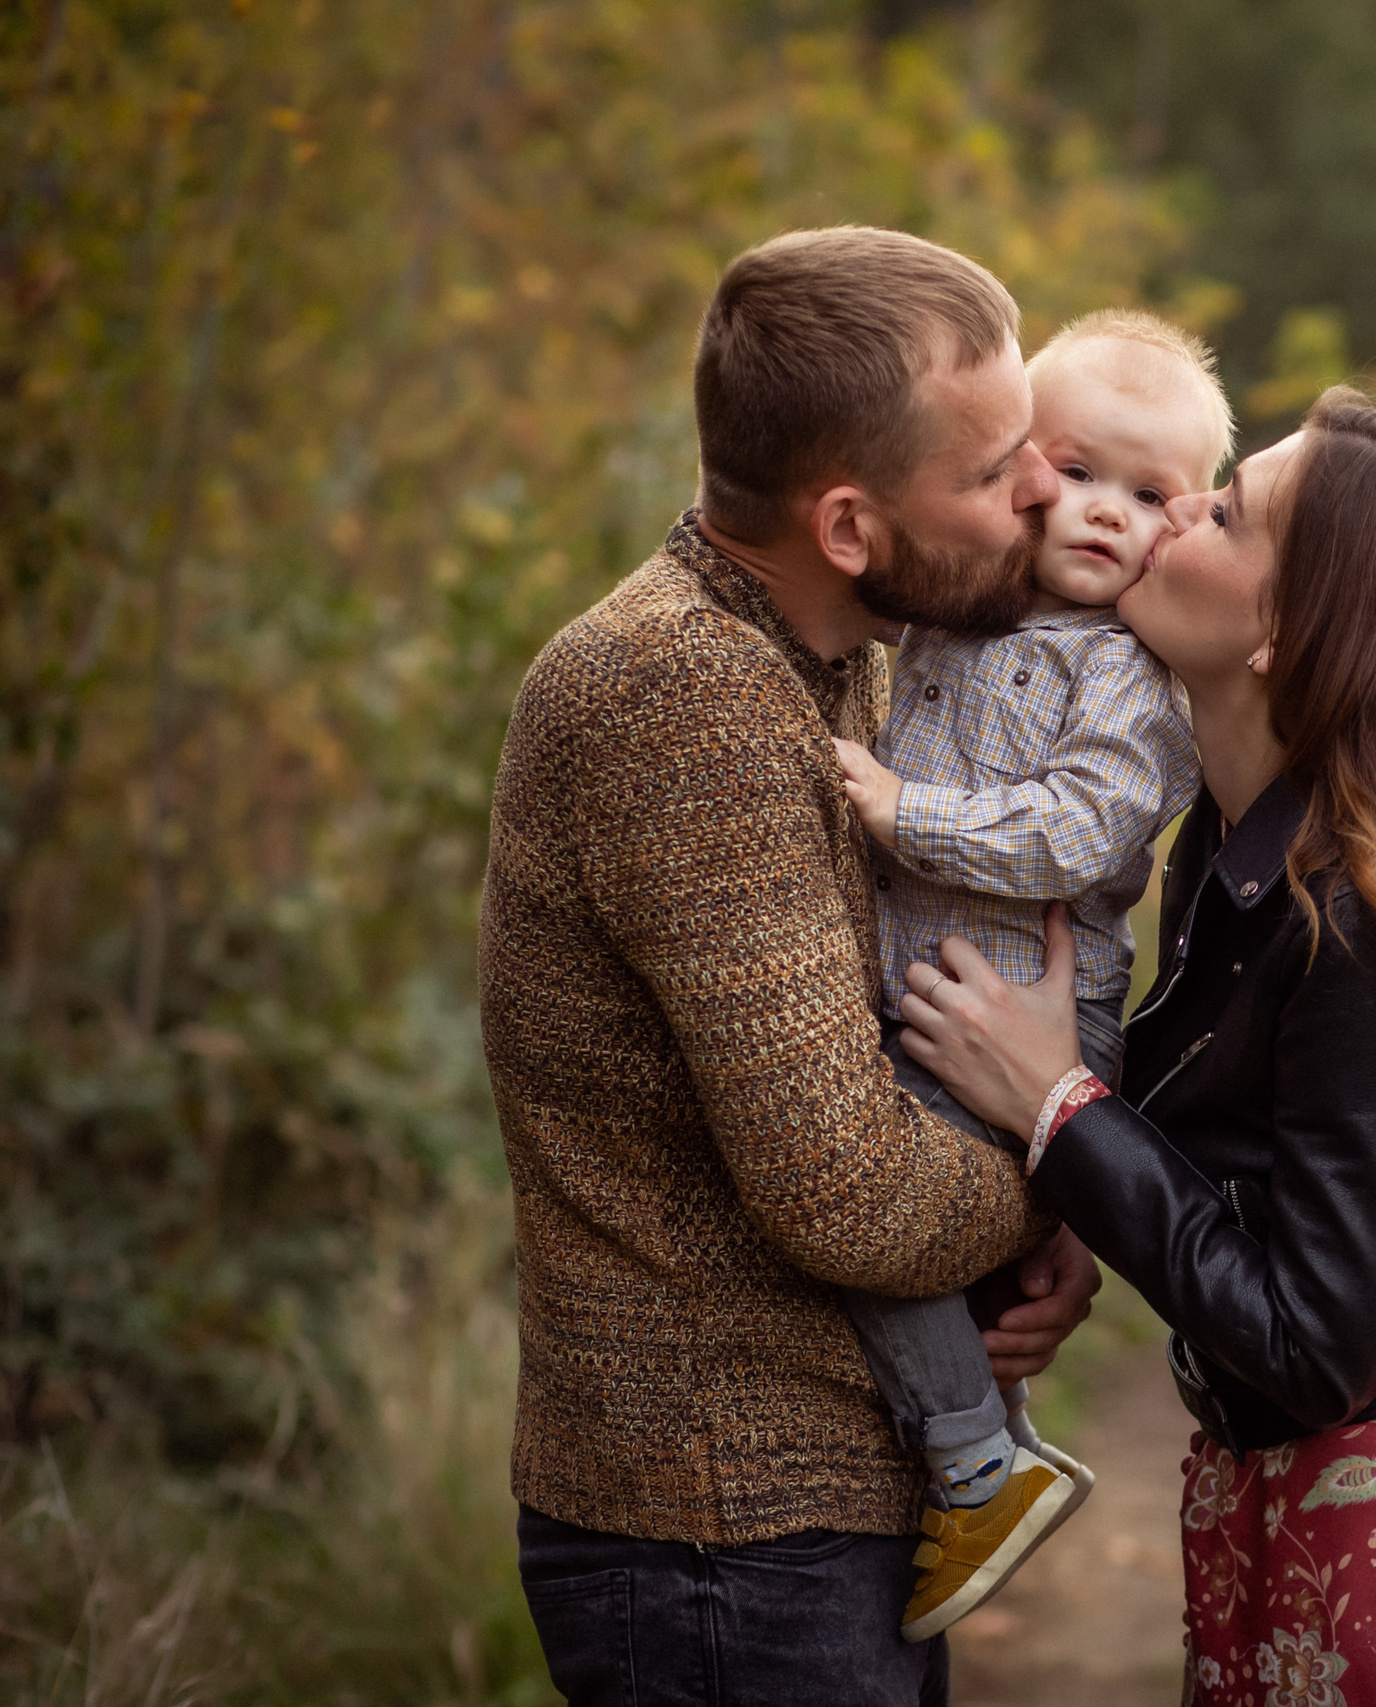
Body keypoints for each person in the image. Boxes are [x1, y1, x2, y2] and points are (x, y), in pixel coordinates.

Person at [897, 388, 1376, 1705]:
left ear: (1288, 631)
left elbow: (1315, 1339)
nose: (1176, 508)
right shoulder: (1232, 845)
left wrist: (1064, 1111)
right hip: (1308, 1510)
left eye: (1225, 508)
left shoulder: (1372, 920)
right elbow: (1262, 1171)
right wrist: (1078, 1197)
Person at [478, 225, 1102, 1707]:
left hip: (803, 1521)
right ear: (846, 526)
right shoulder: (682, 696)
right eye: (990, 468)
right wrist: (1071, 1153)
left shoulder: (836, 656)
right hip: (722, 1539)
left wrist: (1044, 1217)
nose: (1041, 491)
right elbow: (856, 1195)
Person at [827, 309, 1225, 1640]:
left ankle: (975, 1466)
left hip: (1036, 1012)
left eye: (1153, 494)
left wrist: (901, 817)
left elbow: (1081, 830)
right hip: (945, 997)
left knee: (875, 1220)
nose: (1109, 512)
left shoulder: (1126, 674)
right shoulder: (968, 617)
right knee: (949, 1256)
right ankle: (988, 1437)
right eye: (1080, 471)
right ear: (1017, 470)